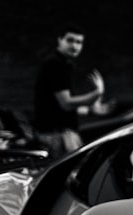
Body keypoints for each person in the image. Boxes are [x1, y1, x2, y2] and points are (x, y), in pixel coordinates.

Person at [33, 24, 104, 158]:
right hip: (58, 137)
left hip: (60, 135)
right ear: (60, 40)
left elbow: (57, 106)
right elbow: (66, 103)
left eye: (79, 42)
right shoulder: (55, 65)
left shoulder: (62, 64)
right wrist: (96, 94)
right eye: (70, 40)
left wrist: (90, 110)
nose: (74, 46)